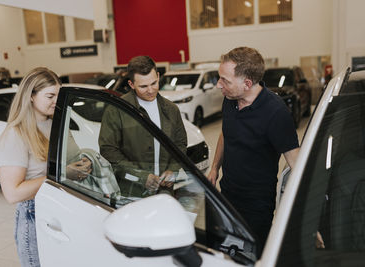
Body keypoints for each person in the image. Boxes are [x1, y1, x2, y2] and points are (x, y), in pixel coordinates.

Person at [207, 47, 300, 257]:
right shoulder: (229, 99)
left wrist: (309, 216)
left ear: (247, 83)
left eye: (225, 80)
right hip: (228, 196)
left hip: (256, 206)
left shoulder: (276, 113)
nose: (219, 85)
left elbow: (297, 164)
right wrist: (214, 168)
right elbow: (225, 133)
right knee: (225, 254)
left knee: (251, 257)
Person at [0, 67, 91, 267]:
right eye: (50, 95)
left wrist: (84, 162)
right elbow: (12, 193)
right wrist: (63, 174)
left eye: (59, 94)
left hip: (63, 208)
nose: (57, 100)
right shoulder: (16, 134)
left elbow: (68, 158)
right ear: (31, 96)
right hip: (35, 214)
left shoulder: (56, 124)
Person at [98, 56, 187, 197]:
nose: (151, 90)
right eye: (143, 86)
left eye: (154, 83)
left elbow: (180, 144)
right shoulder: (117, 110)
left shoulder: (171, 109)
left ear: (158, 76)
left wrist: (173, 170)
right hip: (131, 191)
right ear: (131, 84)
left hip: (164, 192)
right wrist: (140, 176)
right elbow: (109, 151)